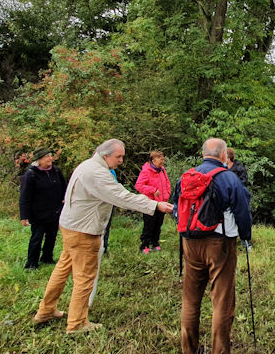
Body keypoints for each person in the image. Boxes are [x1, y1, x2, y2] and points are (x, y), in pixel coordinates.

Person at [32, 139, 173, 334]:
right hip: (83, 231)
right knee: (85, 277)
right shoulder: (97, 173)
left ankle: (46, 310)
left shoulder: (87, 166)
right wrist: (155, 205)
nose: (122, 161)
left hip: (71, 226)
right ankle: (77, 323)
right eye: (119, 157)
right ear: (105, 155)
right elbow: (121, 196)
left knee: (63, 268)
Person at [174, 138, 252, 354]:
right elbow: (243, 211)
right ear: (222, 155)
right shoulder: (229, 178)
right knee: (221, 300)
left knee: (190, 299)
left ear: (203, 154)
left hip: (190, 244)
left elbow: (175, 208)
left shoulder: (185, 177)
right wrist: (246, 237)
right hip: (219, 244)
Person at [19, 148, 67, 269]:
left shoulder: (56, 171)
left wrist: (64, 201)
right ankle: (32, 263)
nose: (50, 159)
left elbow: (64, 188)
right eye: (47, 157)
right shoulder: (31, 175)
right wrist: (24, 215)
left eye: (50, 156)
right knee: (37, 238)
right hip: (38, 213)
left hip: (55, 211)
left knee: (51, 236)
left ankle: (47, 257)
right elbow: (24, 196)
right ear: (39, 160)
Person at [135, 150, 171, 253]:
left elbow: (167, 182)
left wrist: (167, 194)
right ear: (153, 160)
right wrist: (153, 190)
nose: (162, 161)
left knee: (158, 224)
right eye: (160, 159)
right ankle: (145, 245)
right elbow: (139, 185)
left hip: (162, 202)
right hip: (150, 203)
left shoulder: (162, 170)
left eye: (163, 159)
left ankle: (155, 243)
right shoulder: (146, 171)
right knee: (149, 225)